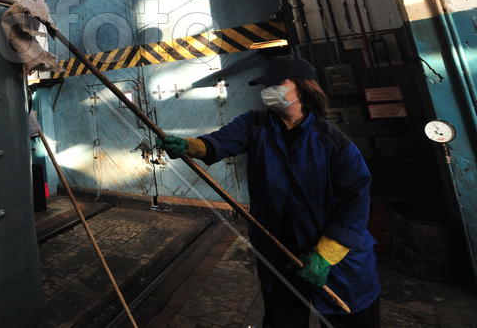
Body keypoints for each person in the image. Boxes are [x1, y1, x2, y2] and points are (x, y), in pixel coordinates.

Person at [158, 55, 381, 328]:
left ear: (301, 88)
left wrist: (325, 255)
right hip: (279, 249)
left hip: (334, 256)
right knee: (282, 318)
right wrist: (187, 145)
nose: (267, 91)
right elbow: (217, 143)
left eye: (276, 84)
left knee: (348, 319)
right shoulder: (254, 125)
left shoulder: (333, 142)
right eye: (265, 86)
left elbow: (355, 205)